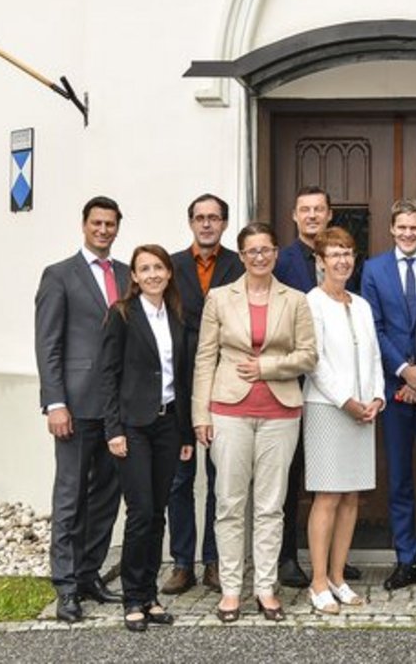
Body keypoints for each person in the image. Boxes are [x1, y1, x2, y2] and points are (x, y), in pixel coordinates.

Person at [193, 222, 318, 623]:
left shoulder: (296, 300)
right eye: (252, 251)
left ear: (276, 254)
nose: (260, 257)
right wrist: (200, 415)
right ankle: (231, 590)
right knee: (230, 504)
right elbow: (204, 358)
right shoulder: (219, 298)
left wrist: (266, 367)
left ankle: (265, 588)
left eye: (266, 250)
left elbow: (308, 356)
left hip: (281, 412)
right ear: (242, 256)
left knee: (270, 506)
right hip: (228, 410)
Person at [34, 195, 129, 623]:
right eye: (97, 223)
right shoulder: (59, 275)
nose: (104, 230)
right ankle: (66, 586)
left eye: (110, 224)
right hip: (74, 406)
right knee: (71, 497)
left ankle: (90, 574)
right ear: (84, 225)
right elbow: (48, 344)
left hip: (117, 408)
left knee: (107, 497)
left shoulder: (129, 275)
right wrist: (55, 402)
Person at [359, 199, 416, 591]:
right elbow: (372, 327)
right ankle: (404, 558)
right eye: (402, 228)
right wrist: (404, 371)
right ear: (392, 229)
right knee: (398, 476)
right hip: (394, 385)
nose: (409, 234)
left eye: (415, 228)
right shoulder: (373, 268)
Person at [99, 244, 193, 630]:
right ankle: (132, 597)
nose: (153, 274)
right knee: (139, 513)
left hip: (168, 426)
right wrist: (113, 429)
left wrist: (185, 431)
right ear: (134, 277)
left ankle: (151, 595)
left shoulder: (176, 315)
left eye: (159, 267)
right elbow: (107, 375)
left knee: (158, 513)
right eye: (144, 268)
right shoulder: (121, 315)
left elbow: (182, 379)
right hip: (133, 427)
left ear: (169, 273)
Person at [272, 185, 359, 587]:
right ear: (294, 216)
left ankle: (334, 562)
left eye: (318, 209)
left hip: (336, 392)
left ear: (328, 214)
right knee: (291, 478)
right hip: (292, 387)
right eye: (304, 209)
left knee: (338, 480)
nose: (311, 215)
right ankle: (288, 558)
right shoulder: (282, 261)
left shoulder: (342, 262)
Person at [163, 193, 244, 596]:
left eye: (214, 218)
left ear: (225, 224)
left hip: (224, 382)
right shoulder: (172, 266)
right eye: (200, 218)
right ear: (191, 222)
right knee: (179, 480)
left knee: (220, 479)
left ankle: (215, 560)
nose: (207, 224)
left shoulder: (237, 265)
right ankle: (182, 563)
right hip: (178, 382)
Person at [303, 227, 386, 614]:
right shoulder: (312, 302)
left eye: (348, 253)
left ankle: (338, 577)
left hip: (363, 411)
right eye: (334, 254)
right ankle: (317, 581)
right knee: (328, 495)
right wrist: (347, 400)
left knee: (352, 496)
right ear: (320, 261)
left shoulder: (362, 304)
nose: (342, 260)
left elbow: (373, 357)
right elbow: (315, 361)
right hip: (327, 409)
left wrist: (377, 397)